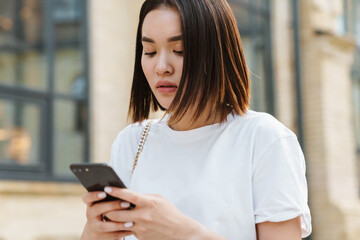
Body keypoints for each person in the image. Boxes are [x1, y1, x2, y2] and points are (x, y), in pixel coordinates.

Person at [80, 0, 312, 239]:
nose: (161, 67)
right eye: (149, 51)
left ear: (216, 54)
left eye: (179, 50)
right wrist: (95, 232)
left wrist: (184, 233)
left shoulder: (264, 139)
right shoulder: (131, 141)